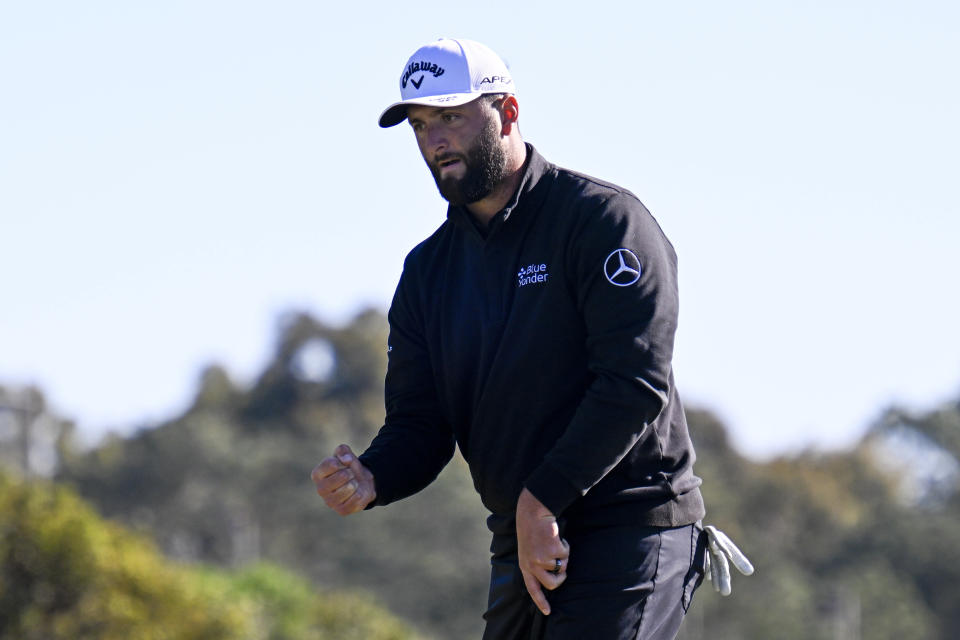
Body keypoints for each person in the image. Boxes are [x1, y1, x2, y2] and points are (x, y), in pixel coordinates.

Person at [312, 37, 749, 640]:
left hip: (631, 528)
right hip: (522, 536)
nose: (434, 142)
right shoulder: (428, 272)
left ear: (508, 112)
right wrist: (374, 476)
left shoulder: (602, 221)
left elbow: (632, 384)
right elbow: (421, 422)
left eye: (449, 117)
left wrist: (541, 498)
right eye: (419, 125)